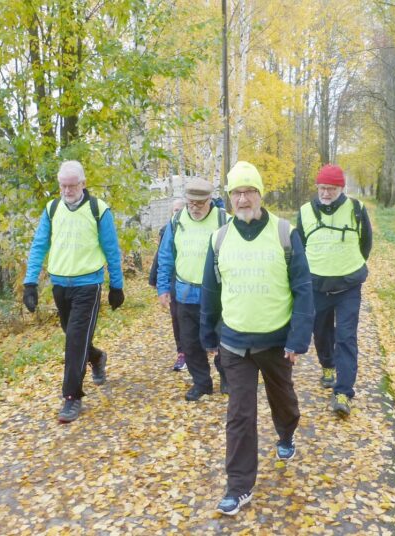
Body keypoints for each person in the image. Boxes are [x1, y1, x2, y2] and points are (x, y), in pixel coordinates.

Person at [200, 161, 314, 516]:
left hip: (277, 342)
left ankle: (286, 434)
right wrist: (209, 335)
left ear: (260, 195)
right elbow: (210, 290)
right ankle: (238, 486)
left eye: (249, 191)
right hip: (235, 343)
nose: (243, 198)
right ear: (229, 198)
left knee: (283, 401)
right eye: (237, 192)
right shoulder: (219, 238)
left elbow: (303, 288)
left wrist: (297, 339)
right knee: (239, 414)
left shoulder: (284, 233)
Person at [22, 160, 125, 423]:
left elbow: (112, 249)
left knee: (74, 341)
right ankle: (97, 357)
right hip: (60, 285)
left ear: (83, 183)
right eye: (62, 186)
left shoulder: (98, 210)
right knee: (73, 336)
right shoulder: (52, 209)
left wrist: (117, 285)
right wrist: (30, 283)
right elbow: (39, 245)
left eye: (71, 185)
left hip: (88, 285)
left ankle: (71, 397)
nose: (67, 191)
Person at [296, 164, 372, 417]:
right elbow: (301, 246)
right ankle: (327, 366)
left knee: (346, 337)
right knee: (321, 332)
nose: (326, 193)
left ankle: (343, 392)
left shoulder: (357, 210)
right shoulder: (305, 212)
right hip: (317, 286)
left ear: (342, 189)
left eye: (331, 188)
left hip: (348, 286)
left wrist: (347, 267)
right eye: (322, 188)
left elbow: (365, 245)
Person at [156, 178, 229, 400]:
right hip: (185, 292)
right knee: (189, 342)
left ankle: (227, 379)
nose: (195, 208)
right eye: (191, 203)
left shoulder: (223, 219)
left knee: (223, 340)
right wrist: (162, 287)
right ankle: (202, 383)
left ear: (210, 200)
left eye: (200, 203)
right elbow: (166, 254)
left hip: (217, 294)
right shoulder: (177, 220)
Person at [149, 198, 187, 371]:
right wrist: (156, 281)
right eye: (175, 210)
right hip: (173, 281)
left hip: (191, 282)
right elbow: (161, 256)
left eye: (181, 209)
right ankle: (182, 353)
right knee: (177, 318)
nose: (177, 213)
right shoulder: (167, 230)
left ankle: (199, 350)